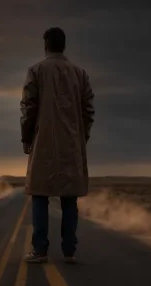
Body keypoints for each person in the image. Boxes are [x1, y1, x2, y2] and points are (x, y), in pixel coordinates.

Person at [20, 27, 95, 264]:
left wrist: (26, 138)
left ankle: (40, 249)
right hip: (72, 143)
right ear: (63, 45)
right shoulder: (80, 74)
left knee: (40, 195)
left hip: (43, 143)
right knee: (69, 198)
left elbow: (28, 108)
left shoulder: (36, 70)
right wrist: (81, 138)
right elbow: (89, 111)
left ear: (46, 45)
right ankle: (69, 251)